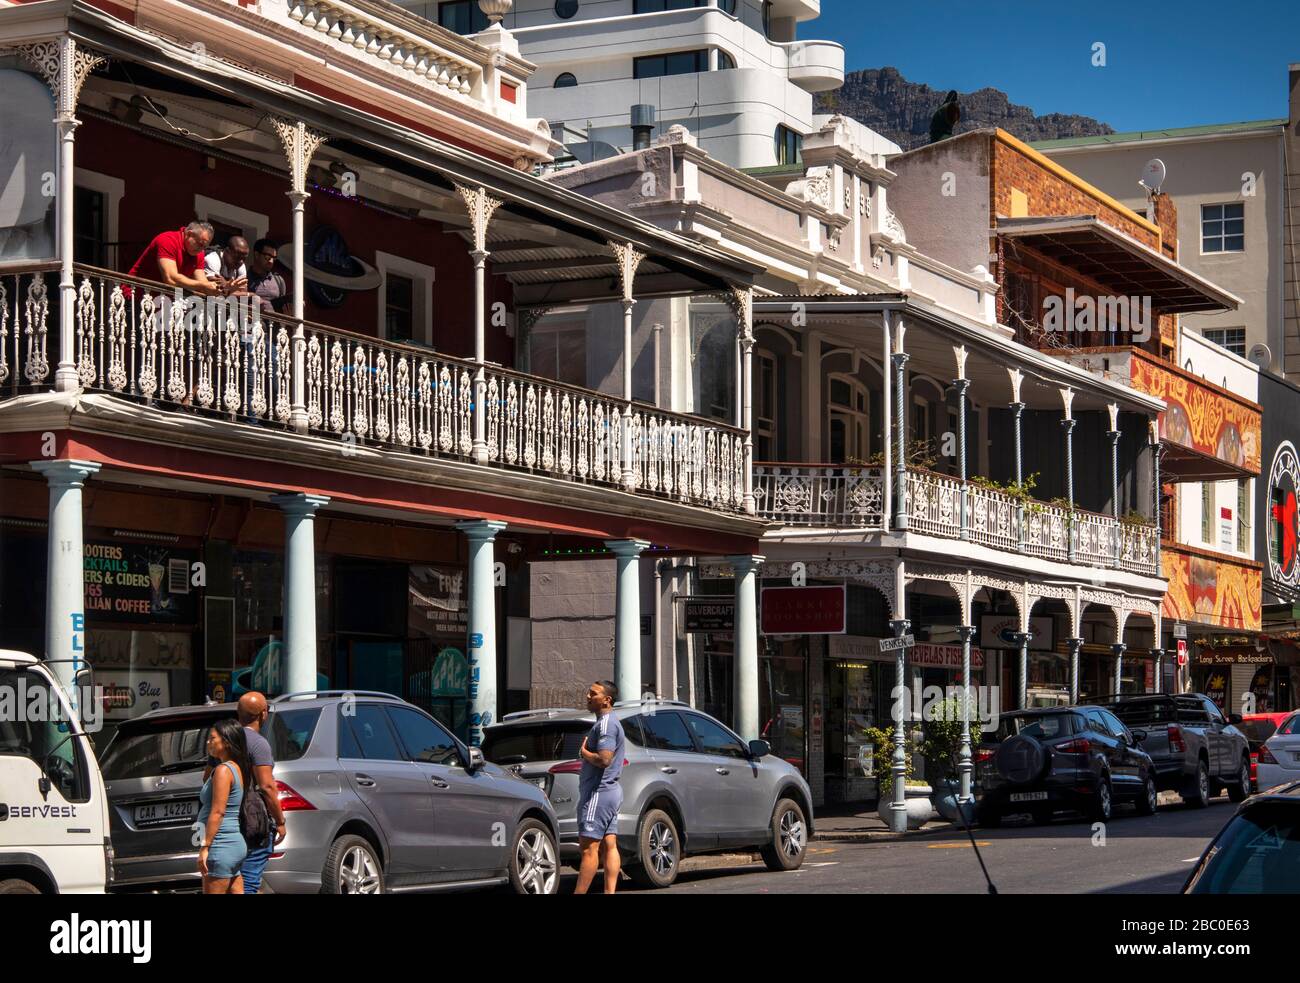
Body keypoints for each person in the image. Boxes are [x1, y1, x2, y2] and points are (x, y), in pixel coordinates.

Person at [573, 680, 625, 895]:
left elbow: (605, 759)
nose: (587, 696)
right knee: (609, 845)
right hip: (610, 792)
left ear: (606, 700)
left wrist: (584, 753)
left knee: (588, 849)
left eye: (593, 694)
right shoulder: (609, 722)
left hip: (599, 793)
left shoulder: (606, 724)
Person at [237, 692, 286, 894]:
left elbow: (207, 778)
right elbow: (267, 786)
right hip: (253, 822)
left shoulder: (223, 740)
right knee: (248, 882)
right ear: (263, 714)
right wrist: (280, 822)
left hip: (228, 822)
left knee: (232, 881)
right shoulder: (258, 744)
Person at [197, 718, 250, 895]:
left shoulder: (223, 770)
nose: (208, 742)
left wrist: (205, 847)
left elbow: (218, 812)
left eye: (212, 738)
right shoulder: (235, 767)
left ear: (226, 742)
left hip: (221, 845)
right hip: (233, 844)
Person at [126, 220, 221, 296]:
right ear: (189, 234)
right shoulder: (168, 240)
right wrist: (203, 285)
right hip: (136, 296)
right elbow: (170, 279)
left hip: (163, 304)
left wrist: (221, 289)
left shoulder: (199, 253)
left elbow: (203, 286)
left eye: (205, 247)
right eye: (200, 244)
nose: (201, 249)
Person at [246, 238, 290, 315]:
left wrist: (289, 310)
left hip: (274, 325)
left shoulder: (278, 280)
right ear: (256, 254)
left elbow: (282, 306)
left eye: (274, 258)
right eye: (268, 257)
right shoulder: (245, 277)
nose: (271, 261)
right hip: (253, 324)